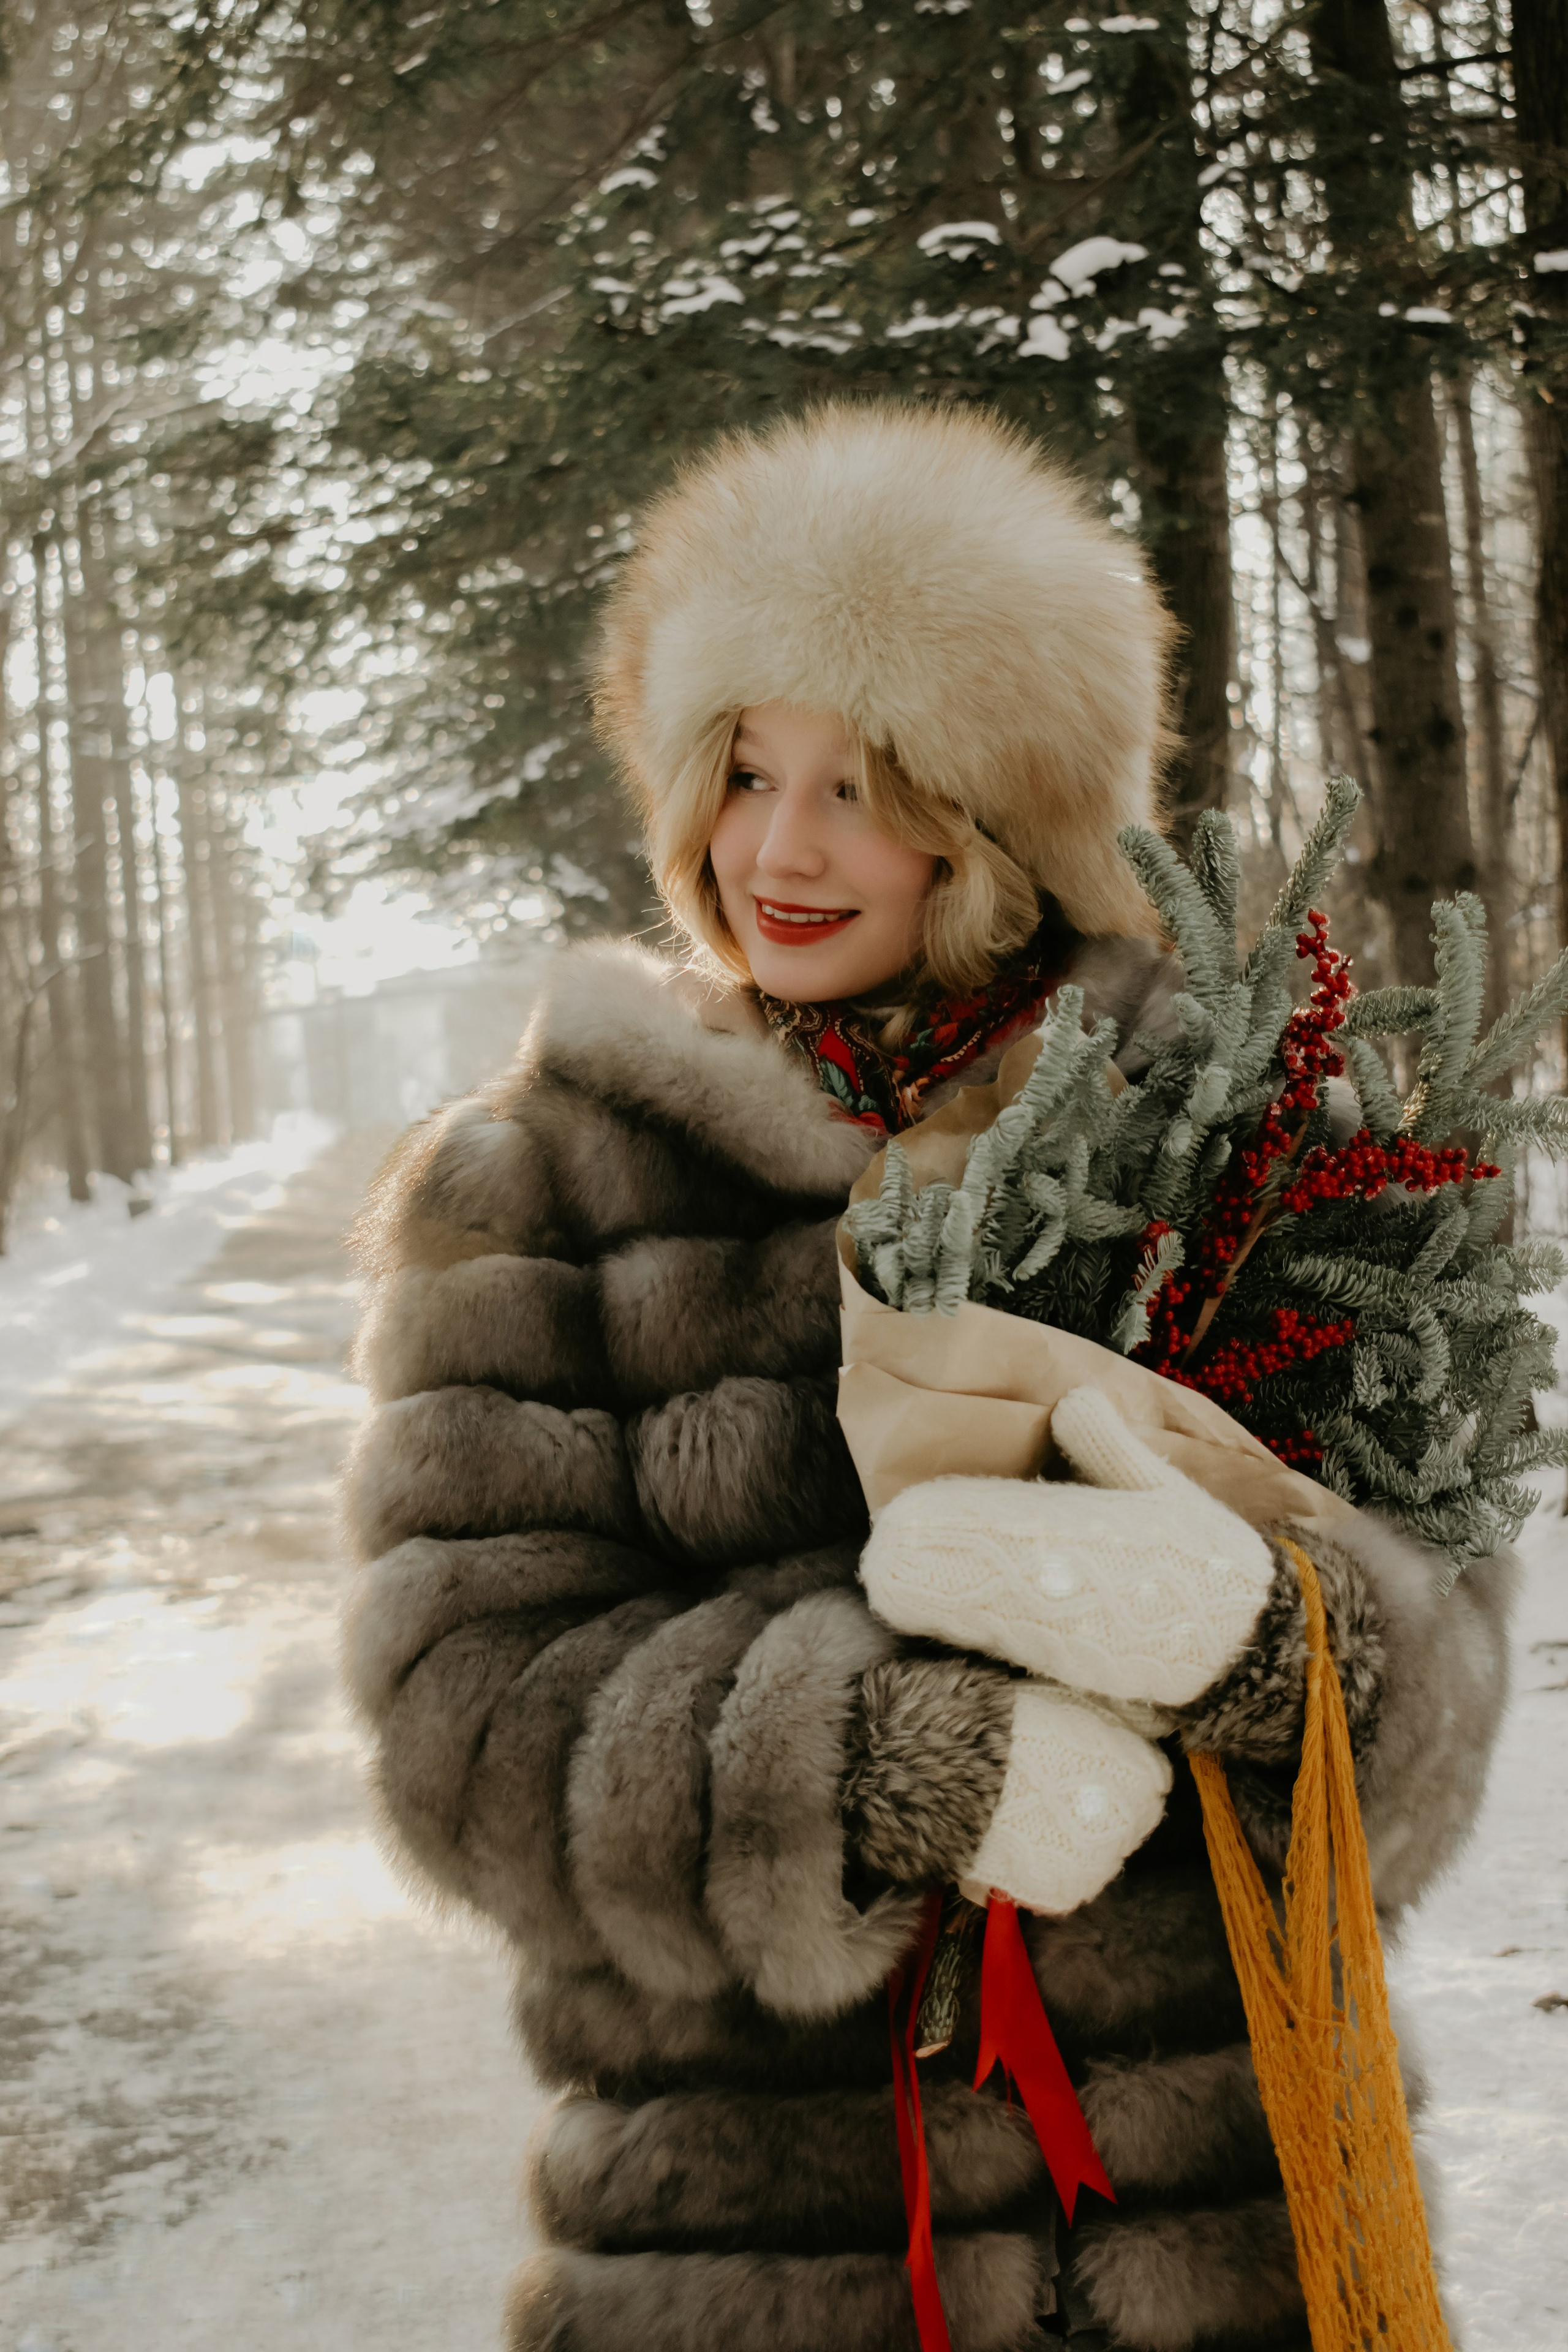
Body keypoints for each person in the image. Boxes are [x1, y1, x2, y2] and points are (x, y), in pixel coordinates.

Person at [340, 403, 1512, 2351]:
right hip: (767, 2258)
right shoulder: (547, 1175)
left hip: (1227, 2232)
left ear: (1004, 818)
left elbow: (1449, 1664)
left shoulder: (1238, 1128)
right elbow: (458, 1716)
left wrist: (1271, 1641)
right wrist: (871, 1763)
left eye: (865, 790)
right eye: (741, 771)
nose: (779, 851)